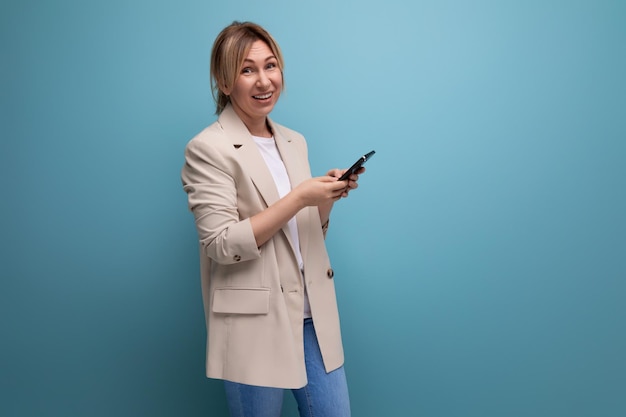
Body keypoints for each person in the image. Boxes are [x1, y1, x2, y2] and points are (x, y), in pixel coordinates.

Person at [181, 21, 363, 417]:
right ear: (224, 81)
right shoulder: (207, 148)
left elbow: (305, 236)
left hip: (313, 316)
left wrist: (326, 199)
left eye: (271, 65)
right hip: (255, 323)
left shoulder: (294, 141)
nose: (264, 80)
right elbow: (221, 245)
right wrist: (299, 198)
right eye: (247, 69)